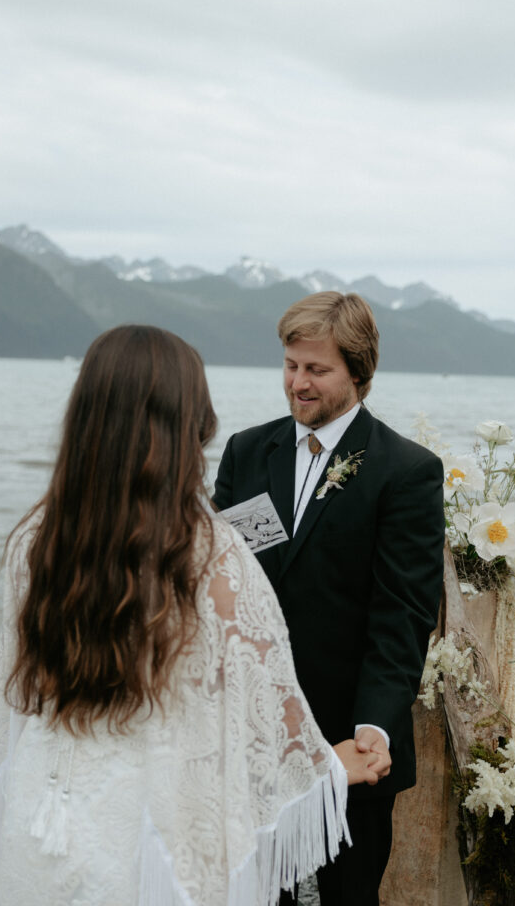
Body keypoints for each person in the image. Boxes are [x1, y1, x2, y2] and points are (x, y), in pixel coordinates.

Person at [0, 324, 378, 906]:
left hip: (44, 816)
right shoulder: (212, 556)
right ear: (187, 424)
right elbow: (258, 707)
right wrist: (329, 768)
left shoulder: (34, 541)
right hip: (150, 835)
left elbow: (22, 701)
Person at [213, 292, 445, 905]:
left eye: (317, 370)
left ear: (359, 374)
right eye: (291, 365)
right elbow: (226, 587)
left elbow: (403, 612)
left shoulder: (406, 471)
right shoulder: (245, 452)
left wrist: (375, 725)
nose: (298, 383)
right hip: (258, 735)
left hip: (352, 734)